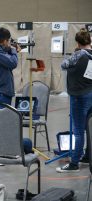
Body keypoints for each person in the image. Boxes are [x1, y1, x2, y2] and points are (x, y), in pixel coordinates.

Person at [56, 28, 92, 173]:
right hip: (90, 94)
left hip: (79, 96)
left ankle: (74, 163)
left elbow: (63, 64)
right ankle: (87, 156)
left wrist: (77, 51)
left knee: (78, 131)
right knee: (89, 128)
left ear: (78, 42)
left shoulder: (79, 55)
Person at [0, 27, 21, 105]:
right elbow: (13, 63)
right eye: (8, 40)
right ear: (5, 41)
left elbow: (8, 63)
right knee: (2, 116)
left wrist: (11, 51)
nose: (9, 42)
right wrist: (13, 50)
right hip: (1, 91)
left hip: (4, 91)